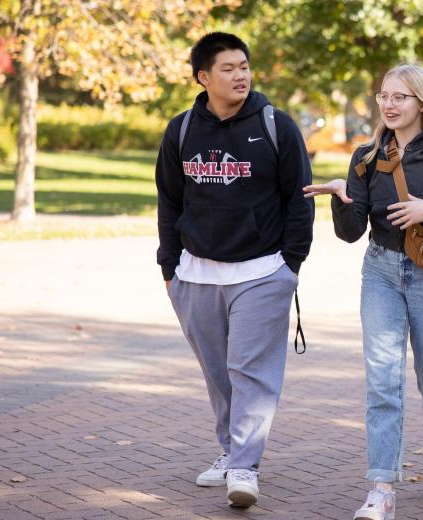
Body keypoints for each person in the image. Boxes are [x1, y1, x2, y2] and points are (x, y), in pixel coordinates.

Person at [302, 63, 423, 520]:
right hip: (381, 272)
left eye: (399, 96)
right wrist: (341, 199)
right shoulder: (367, 155)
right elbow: (351, 233)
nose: (389, 104)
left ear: (421, 102)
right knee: (383, 382)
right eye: (384, 95)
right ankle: (381, 486)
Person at [155, 33, 313, 508]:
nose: (240, 75)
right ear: (203, 77)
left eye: (244, 65)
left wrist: (291, 263)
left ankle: (244, 467)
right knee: (219, 374)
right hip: (196, 274)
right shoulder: (181, 130)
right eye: (228, 68)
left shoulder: (276, 126)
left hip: (263, 271)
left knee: (251, 372)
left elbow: (298, 199)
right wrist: (170, 267)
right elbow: (169, 200)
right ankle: (230, 451)